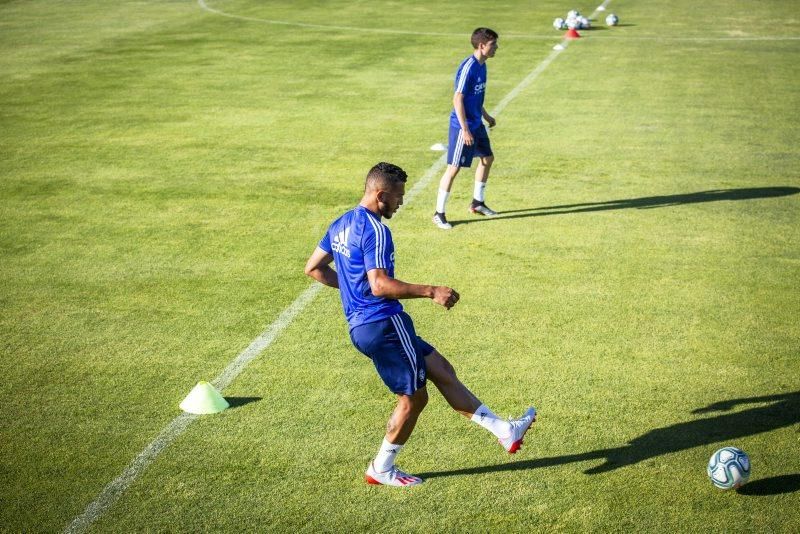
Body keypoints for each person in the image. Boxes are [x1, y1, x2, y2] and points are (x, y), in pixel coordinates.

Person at [305, 162, 536, 487]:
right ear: (381, 194)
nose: (401, 202)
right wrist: (431, 291)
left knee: (440, 367)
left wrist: (352, 289)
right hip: (383, 323)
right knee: (414, 399)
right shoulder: (375, 230)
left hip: (362, 326)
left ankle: (504, 430)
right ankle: (381, 468)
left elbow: (313, 268)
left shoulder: (341, 223)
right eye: (398, 196)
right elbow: (380, 285)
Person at [433, 27, 500, 230]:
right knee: (454, 168)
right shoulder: (469, 67)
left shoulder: (483, 65)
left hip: (476, 124)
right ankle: (438, 214)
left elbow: (475, 97)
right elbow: (458, 98)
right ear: (482, 46)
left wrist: (486, 116)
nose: (496, 48)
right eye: (493, 44)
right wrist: (465, 129)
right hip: (463, 126)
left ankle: (477, 203)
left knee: (487, 159)